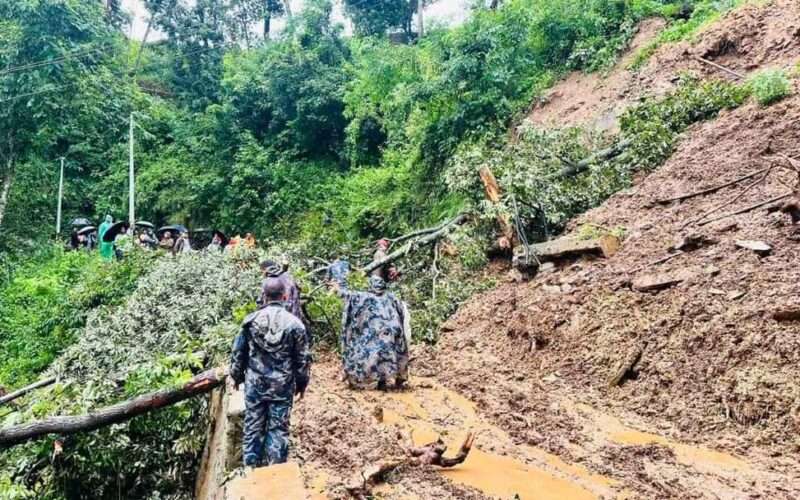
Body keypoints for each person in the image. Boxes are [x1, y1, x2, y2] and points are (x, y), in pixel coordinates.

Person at [230, 278, 311, 468]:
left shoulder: (250, 321)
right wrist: (302, 384)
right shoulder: (295, 325)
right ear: (284, 296)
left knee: (253, 426)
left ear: (263, 296)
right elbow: (302, 360)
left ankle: (250, 470)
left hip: (255, 385)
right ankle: (276, 471)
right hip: (282, 387)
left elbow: (238, 352)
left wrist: (236, 376)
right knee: (278, 429)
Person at [328, 260, 410, 390]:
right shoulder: (391, 297)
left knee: (367, 352)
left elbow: (347, 295)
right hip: (391, 335)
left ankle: (365, 379)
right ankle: (389, 380)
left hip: (376, 336)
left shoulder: (364, 297)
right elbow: (402, 314)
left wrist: (337, 288)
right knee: (387, 354)